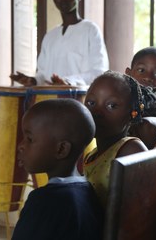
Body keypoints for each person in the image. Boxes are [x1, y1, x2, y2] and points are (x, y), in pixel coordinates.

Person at [83, 71, 156, 206]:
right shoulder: (91, 154)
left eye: (111, 106)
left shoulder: (130, 150)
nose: (97, 112)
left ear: (133, 114)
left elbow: (141, 212)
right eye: (91, 102)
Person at [13, 99, 103, 240]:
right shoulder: (88, 192)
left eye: (29, 139)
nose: (21, 145)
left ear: (61, 149)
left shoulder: (44, 202)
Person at [10, 0, 109, 86]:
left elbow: (99, 72)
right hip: (49, 100)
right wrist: (33, 81)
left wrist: (68, 82)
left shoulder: (90, 30)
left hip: (78, 100)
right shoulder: (50, 36)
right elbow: (42, 74)